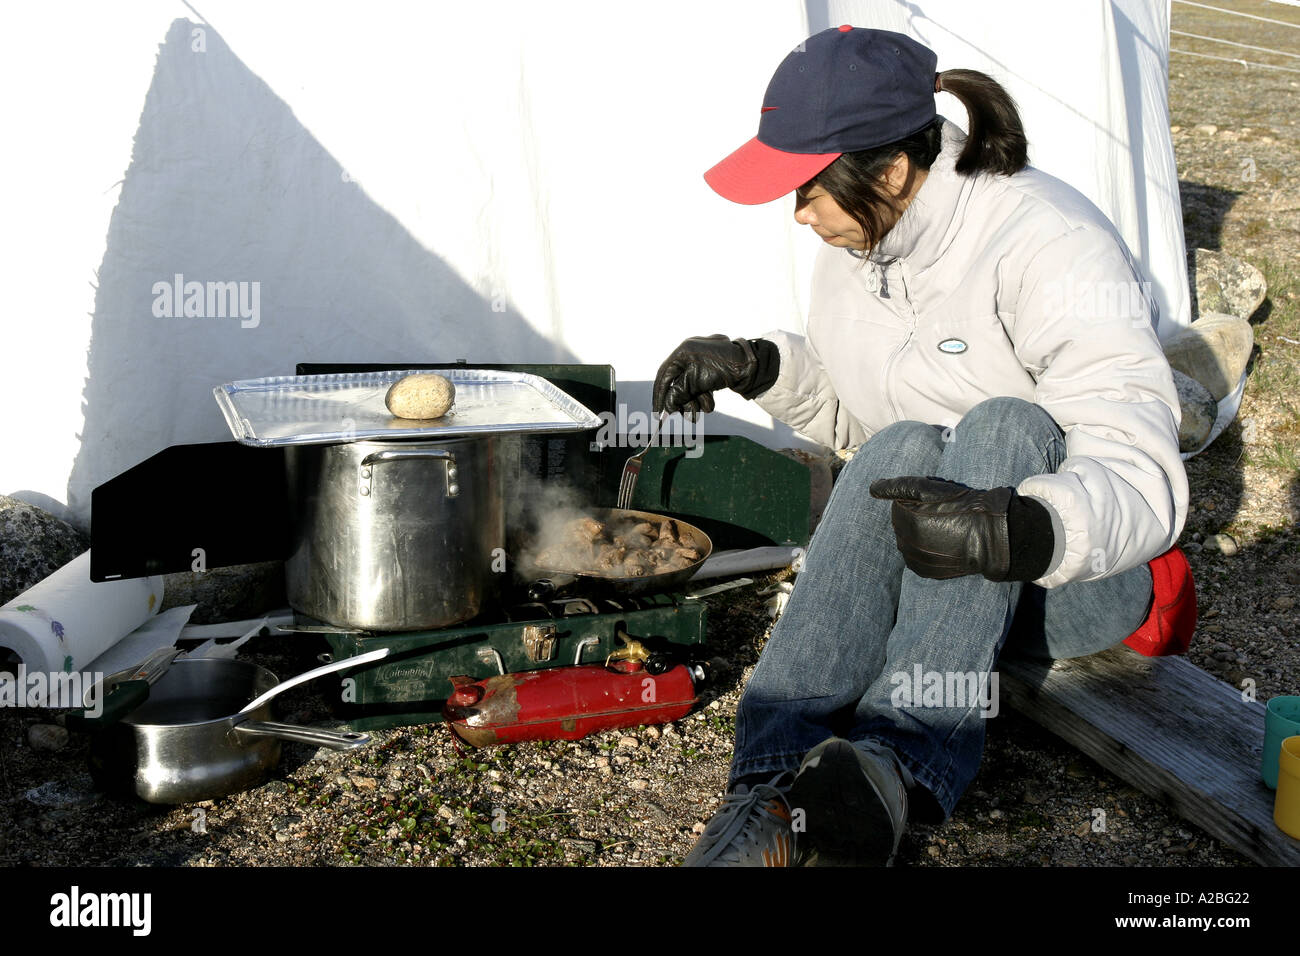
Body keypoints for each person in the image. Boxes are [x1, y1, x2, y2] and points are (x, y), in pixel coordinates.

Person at [653, 25, 1188, 867]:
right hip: (938, 572)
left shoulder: (1048, 239)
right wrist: (761, 368)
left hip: (1063, 570)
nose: (799, 213)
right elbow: (869, 436)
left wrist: (1027, 524)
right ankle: (767, 789)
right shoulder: (860, 244)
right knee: (904, 440)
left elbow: (1137, 450)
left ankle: (898, 765)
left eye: (807, 189)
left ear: (893, 169)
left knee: (1004, 425)